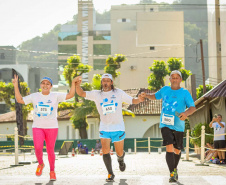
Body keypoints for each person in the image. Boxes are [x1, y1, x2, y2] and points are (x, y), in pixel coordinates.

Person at [74, 73, 145, 182]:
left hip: (118, 127)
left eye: (108, 81)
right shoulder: (96, 94)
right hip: (104, 127)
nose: (105, 83)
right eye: (104, 81)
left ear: (111, 82)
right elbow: (81, 93)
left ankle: (121, 159)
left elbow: (132, 100)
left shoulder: (118, 93)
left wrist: (139, 99)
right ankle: (110, 173)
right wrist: (77, 85)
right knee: (105, 151)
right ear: (102, 83)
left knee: (119, 152)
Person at [12, 75, 77, 181]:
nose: (45, 85)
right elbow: (19, 100)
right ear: (40, 85)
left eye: (48, 83)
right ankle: (41, 164)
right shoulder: (35, 96)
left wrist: (73, 83)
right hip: (38, 127)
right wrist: (15, 85)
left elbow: (70, 95)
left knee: (50, 150)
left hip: (52, 127)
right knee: (38, 148)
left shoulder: (55, 95)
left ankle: (52, 171)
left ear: (51, 86)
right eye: (43, 83)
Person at [144, 70, 196, 183]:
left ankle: (175, 169)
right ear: (170, 79)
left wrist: (186, 113)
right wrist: (146, 95)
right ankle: (172, 173)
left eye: (177, 77)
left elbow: (193, 107)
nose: (175, 79)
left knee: (177, 150)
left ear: (180, 80)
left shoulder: (185, 92)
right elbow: (155, 96)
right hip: (165, 123)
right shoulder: (165, 90)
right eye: (173, 77)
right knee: (169, 146)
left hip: (178, 125)